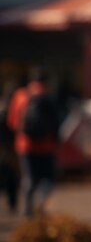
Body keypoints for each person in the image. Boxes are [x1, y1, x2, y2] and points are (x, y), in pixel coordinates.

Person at [7, 71, 60, 217]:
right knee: (47, 178)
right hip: (47, 146)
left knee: (29, 178)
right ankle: (41, 204)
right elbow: (56, 123)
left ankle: (27, 209)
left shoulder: (20, 96)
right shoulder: (48, 96)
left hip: (25, 145)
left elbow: (12, 122)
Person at [0, 82, 19, 214]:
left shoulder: (2, 108)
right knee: (12, 175)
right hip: (12, 147)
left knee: (6, 174)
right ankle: (12, 201)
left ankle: (11, 201)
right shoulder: (15, 109)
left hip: (4, 148)